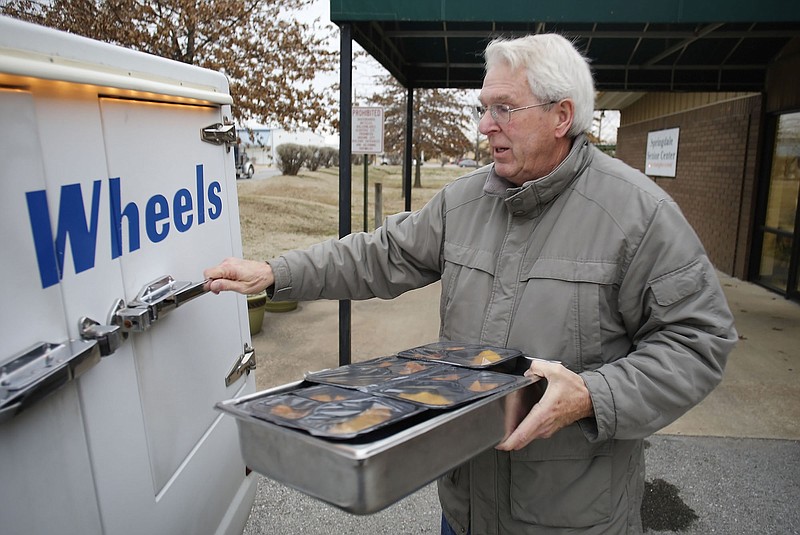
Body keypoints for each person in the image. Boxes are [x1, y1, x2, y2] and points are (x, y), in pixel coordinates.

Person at [205, 33, 737, 534]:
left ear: (561, 116)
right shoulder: (464, 203)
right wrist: (278, 273)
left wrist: (593, 395)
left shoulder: (638, 216)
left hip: (571, 518)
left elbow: (698, 341)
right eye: (483, 108)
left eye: (504, 108)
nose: (485, 125)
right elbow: (380, 254)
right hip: (465, 510)